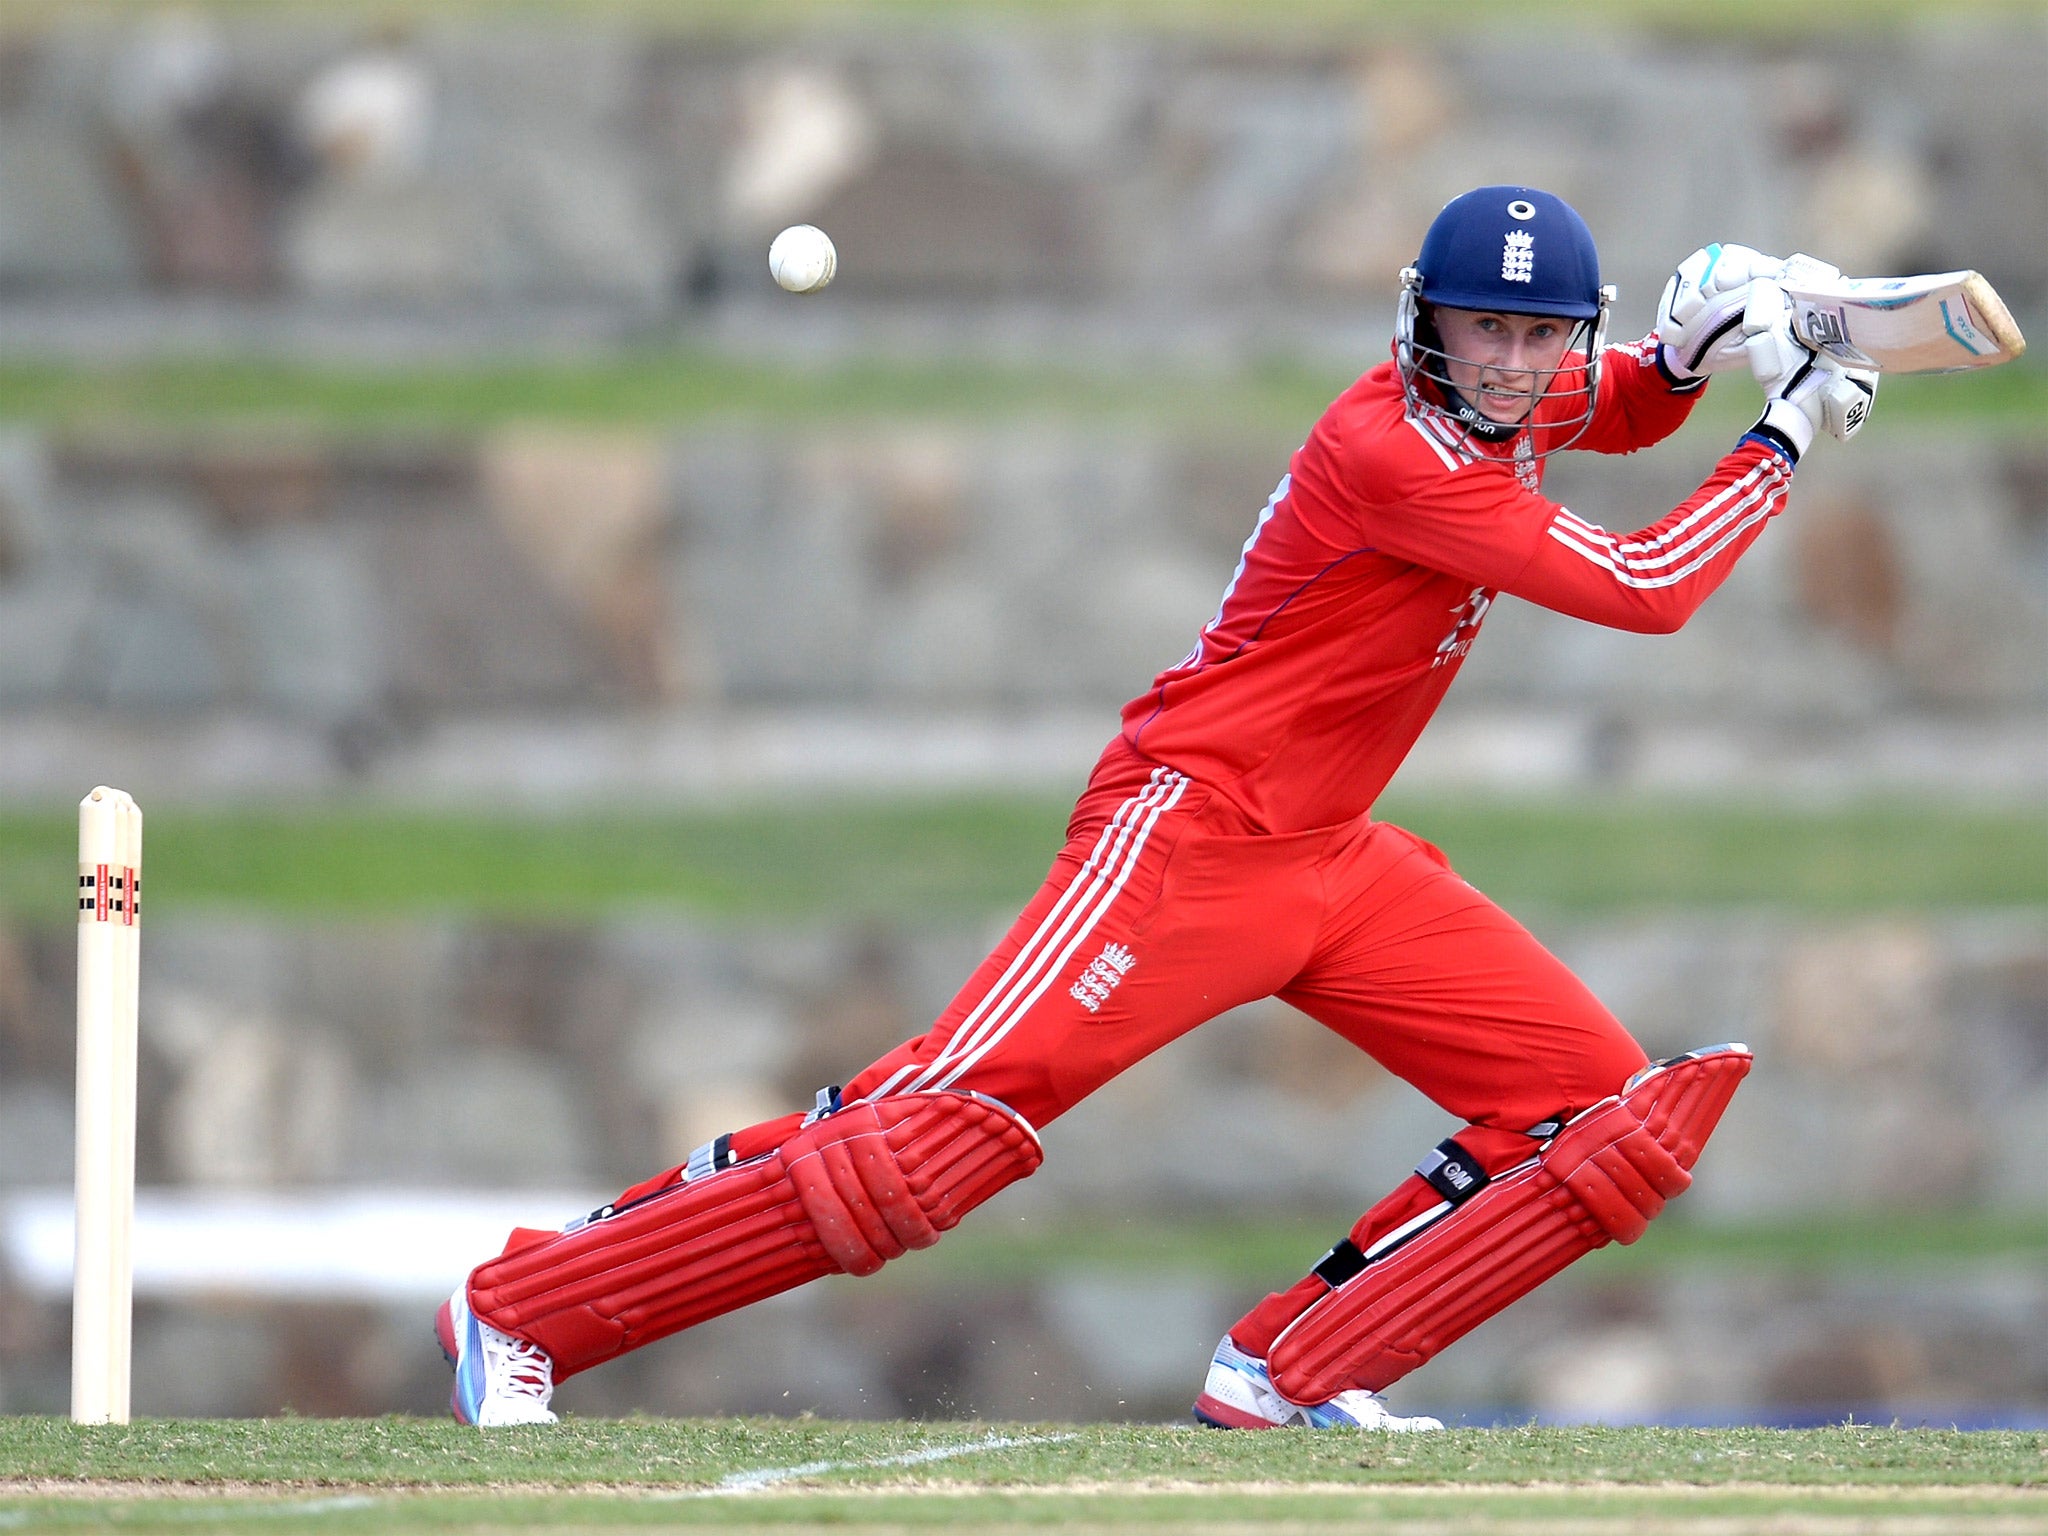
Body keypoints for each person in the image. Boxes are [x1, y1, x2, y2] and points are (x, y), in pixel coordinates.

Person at [433, 185, 1877, 1430]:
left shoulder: (1507, 394)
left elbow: (1603, 406)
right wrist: (1788, 436)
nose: (1507, 364)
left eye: (1535, 332)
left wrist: (1683, 354)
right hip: (1183, 841)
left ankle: (1289, 1371)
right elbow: (1646, 589)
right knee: (927, 1145)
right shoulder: (1398, 450)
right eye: (1478, 329)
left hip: (1330, 861)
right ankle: (519, 1311)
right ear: (1421, 323)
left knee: (1599, 1110)